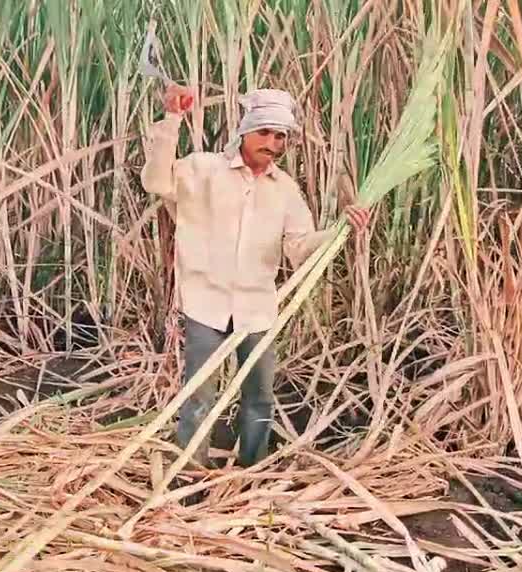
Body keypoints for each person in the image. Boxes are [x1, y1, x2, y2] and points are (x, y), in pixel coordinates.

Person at [141, 84, 372, 470]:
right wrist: (172, 118)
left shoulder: (285, 190)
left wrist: (338, 232)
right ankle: (189, 478)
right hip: (206, 303)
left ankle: (253, 475)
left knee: (260, 398)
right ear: (244, 131)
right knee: (198, 397)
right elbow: (155, 182)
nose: (272, 142)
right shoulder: (202, 170)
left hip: (257, 308)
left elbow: (298, 247)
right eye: (264, 132)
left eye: (280, 136)